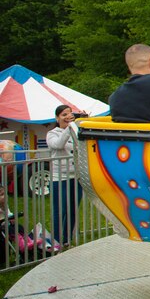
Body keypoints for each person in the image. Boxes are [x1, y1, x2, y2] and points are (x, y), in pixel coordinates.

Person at [46, 105, 82, 246]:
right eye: (63, 114)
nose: (67, 116)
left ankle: (66, 240)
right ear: (57, 117)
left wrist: (81, 123)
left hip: (76, 177)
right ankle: (56, 240)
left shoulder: (75, 131)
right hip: (59, 178)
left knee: (73, 210)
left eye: (70, 114)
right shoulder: (52, 133)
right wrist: (70, 126)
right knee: (60, 211)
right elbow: (58, 145)